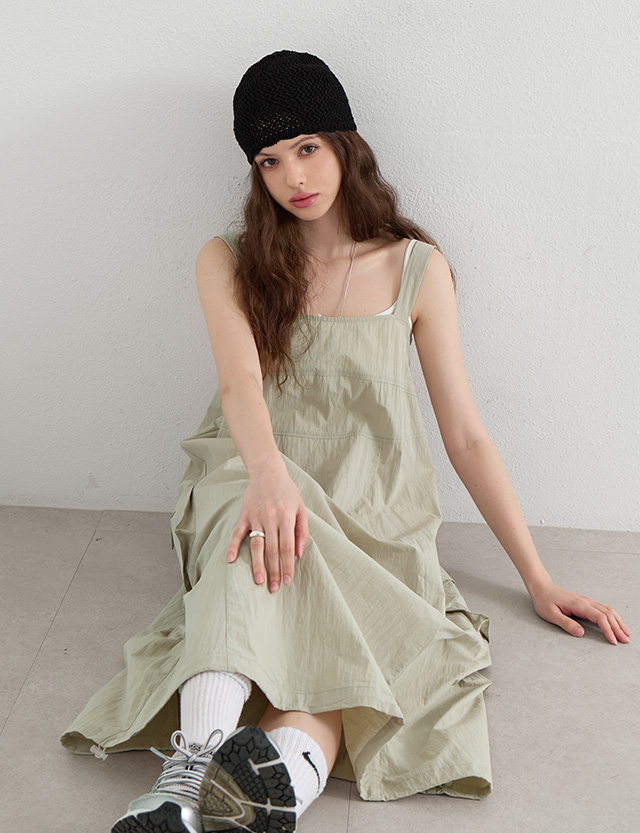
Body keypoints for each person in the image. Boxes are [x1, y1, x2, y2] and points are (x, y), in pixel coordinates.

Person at [60, 50, 631, 833]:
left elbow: (465, 434)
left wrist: (538, 577)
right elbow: (240, 386)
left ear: (344, 144)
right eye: (269, 160)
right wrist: (268, 474)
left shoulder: (416, 269)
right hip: (249, 472)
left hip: (371, 507)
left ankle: (247, 796)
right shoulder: (229, 260)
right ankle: (192, 774)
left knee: (320, 653)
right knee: (256, 529)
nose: (293, 176)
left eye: (307, 148)